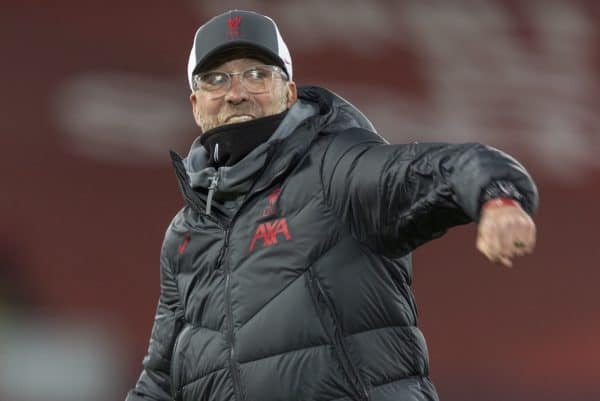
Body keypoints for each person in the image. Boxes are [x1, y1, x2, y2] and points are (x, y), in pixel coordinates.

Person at [126, 9, 537, 401]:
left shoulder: (334, 167)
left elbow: (437, 169)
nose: (236, 94)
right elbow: (161, 381)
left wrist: (497, 197)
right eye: (216, 79)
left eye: (256, 74)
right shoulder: (185, 236)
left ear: (287, 92)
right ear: (196, 105)